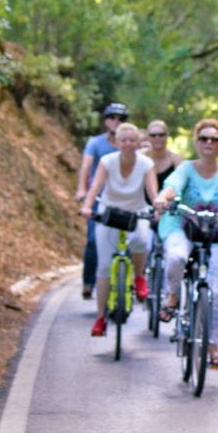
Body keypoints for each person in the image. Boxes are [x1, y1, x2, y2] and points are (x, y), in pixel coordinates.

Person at [152, 118, 218, 369]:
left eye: (214, 139)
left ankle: (213, 346)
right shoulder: (186, 168)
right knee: (176, 258)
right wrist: (162, 198)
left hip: (214, 231)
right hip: (181, 227)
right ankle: (172, 295)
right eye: (204, 138)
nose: (209, 143)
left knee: (213, 291)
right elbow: (172, 187)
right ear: (196, 142)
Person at [80, 122, 158, 336]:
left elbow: (152, 192)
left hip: (137, 211)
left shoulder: (146, 163)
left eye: (132, 140)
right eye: (123, 140)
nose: (127, 144)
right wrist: (87, 206)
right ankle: (100, 318)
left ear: (138, 142)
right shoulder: (107, 161)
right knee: (104, 267)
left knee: (141, 241)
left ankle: (139, 277)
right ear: (116, 142)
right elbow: (96, 187)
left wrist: (158, 206)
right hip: (110, 211)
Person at [75, 103, 128, 300]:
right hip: (98, 198)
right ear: (106, 121)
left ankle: (126, 283)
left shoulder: (129, 143)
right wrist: (82, 189)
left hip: (123, 199)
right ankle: (89, 281)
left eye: (121, 119)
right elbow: (86, 166)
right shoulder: (95, 143)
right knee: (93, 240)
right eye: (113, 118)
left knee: (129, 242)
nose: (116, 122)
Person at [139, 119, 184, 198]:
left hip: (169, 204)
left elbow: (182, 182)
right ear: (148, 137)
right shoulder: (140, 156)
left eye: (161, 135)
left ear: (167, 136)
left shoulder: (176, 159)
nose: (157, 138)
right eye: (153, 135)